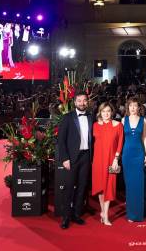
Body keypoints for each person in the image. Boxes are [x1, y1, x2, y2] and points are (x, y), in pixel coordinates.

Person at [57, 91, 93, 229]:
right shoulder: (67, 118)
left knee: (82, 187)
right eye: (79, 101)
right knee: (69, 188)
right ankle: (66, 217)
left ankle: (76, 214)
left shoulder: (90, 117)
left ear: (87, 102)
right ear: (75, 102)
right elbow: (61, 140)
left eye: (84, 100)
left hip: (86, 156)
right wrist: (64, 158)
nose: (82, 103)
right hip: (71, 158)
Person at [92, 102, 124, 226]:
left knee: (109, 186)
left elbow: (120, 144)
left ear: (112, 112)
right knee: (100, 187)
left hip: (112, 161)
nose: (106, 114)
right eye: (103, 111)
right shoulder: (95, 125)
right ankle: (103, 213)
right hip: (98, 161)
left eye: (108, 111)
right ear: (100, 112)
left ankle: (105, 215)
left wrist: (116, 159)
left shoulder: (118, 125)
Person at [122, 97, 146, 222]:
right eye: (130, 105)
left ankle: (139, 214)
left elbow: (144, 138)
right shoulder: (123, 120)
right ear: (128, 107)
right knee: (129, 185)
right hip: (127, 154)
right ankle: (131, 214)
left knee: (139, 184)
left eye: (135, 105)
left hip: (139, 154)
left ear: (139, 107)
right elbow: (120, 139)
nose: (133, 108)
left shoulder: (143, 121)